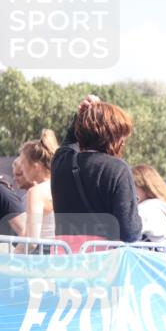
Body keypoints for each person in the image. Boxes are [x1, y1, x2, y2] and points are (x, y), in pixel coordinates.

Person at [50, 94, 142, 243]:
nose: (123, 143)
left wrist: (81, 116)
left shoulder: (61, 161)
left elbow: (69, 141)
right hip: (102, 260)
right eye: (122, 136)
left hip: (64, 257)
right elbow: (129, 233)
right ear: (113, 136)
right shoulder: (118, 169)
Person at [17, 130, 59, 245]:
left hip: (41, 258)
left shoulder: (36, 193)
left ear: (37, 166)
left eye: (23, 163)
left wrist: (10, 259)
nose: (21, 169)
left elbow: (31, 242)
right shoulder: (63, 187)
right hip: (64, 255)